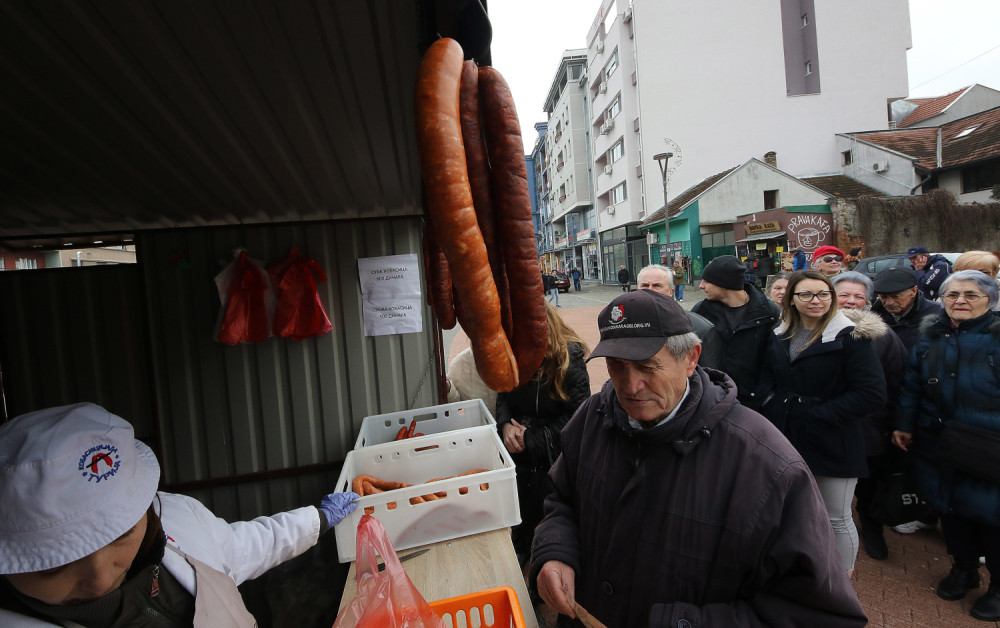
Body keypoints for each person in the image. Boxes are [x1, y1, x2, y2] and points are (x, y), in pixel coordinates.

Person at [530, 290, 867, 627]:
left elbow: (822, 613)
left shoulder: (767, 465)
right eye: (617, 366)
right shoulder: (593, 416)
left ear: (691, 358)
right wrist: (555, 551)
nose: (631, 386)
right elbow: (563, 499)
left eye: (647, 366)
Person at [0, 403, 359, 627]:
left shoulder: (175, 518)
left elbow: (238, 547)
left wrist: (318, 518)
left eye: (120, 534)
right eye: (54, 564)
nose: (98, 579)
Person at [759, 270, 886, 574]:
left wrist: (818, 414)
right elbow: (768, 379)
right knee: (795, 513)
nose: (816, 300)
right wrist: (773, 404)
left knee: (836, 517)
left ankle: (842, 582)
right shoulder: (779, 333)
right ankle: (805, 572)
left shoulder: (850, 338)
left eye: (823, 294)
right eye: (806, 294)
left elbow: (871, 393)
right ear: (791, 299)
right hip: (788, 437)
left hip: (834, 440)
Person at [892, 270, 1000, 621]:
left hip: (988, 446)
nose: (960, 301)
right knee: (950, 508)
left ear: (989, 300)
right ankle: (963, 568)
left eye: (971, 295)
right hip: (938, 441)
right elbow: (912, 385)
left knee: (992, 516)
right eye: (952, 295)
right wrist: (905, 425)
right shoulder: (930, 335)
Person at [496, 302, 590, 561]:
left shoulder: (569, 358)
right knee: (521, 520)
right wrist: (504, 425)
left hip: (553, 461)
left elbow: (578, 415)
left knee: (549, 525)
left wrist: (532, 439)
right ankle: (524, 558)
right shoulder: (513, 355)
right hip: (520, 459)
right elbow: (503, 395)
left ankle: (542, 576)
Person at [831, 271, 908, 560]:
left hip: (869, 427)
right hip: (824, 425)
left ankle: (872, 525)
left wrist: (896, 424)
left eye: (858, 296)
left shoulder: (884, 336)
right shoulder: (809, 329)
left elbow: (899, 382)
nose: (851, 301)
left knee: (870, 484)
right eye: (844, 295)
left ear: (868, 301)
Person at [693, 255, 781, 410]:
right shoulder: (700, 312)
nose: (701, 285)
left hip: (758, 403)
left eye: (707, 281)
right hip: (715, 399)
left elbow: (777, 359)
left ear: (725, 283)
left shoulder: (769, 313)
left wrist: (765, 395)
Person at [637, 264, 723, 370]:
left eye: (657, 286)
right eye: (645, 285)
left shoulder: (700, 329)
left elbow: (709, 375)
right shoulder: (623, 324)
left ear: (670, 292)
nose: (649, 290)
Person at [871, 267, 945, 353]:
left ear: (913, 291)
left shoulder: (939, 314)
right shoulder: (873, 316)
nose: (889, 302)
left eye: (896, 296)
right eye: (883, 297)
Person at [446, 346, 498, 416]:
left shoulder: (505, 355)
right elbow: (456, 404)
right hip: (479, 424)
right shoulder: (459, 364)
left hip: (510, 423)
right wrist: (449, 389)